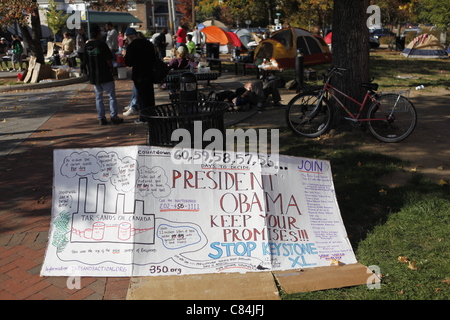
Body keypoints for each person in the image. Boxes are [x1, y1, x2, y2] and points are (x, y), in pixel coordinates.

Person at [84, 24, 123, 125]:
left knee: (99, 97)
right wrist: (112, 69)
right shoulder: (102, 45)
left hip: (94, 75)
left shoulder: (87, 46)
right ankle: (114, 116)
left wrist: (89, 72)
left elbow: (86, 62)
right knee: (111, 96)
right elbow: (108, 60)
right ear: (98, 33)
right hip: (105, 73)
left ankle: (101, 117)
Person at [124, 27, 156, 124]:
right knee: (149, 95)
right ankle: (152, 115)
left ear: (129, 37)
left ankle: (144, 117)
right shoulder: (148, 44)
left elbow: (128, 62)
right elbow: (154, 57)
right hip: (149, 73)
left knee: (141, 97)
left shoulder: (132, 46)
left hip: (138, 74)